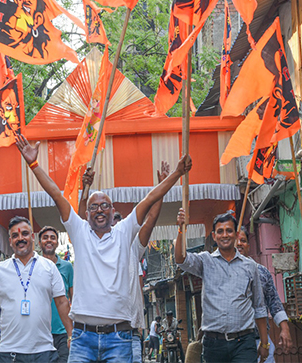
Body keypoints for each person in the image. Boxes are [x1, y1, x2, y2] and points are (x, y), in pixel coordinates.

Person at [15, 133, 192, 363]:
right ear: (87, 214)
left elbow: (150, 200)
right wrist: (34, 164)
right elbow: (56, 194)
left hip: (119, 337)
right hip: (81, 337)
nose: (99, 210)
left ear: (112, 210)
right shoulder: (80, 232)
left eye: (105, 206)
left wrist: (177, 173)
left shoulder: (123, 232)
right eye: (94, 207)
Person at [79, 162, 172, 363]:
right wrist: (85, 189)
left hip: (128, 330)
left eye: (119, 223)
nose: (116, 226)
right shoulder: (91, 245)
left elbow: (152, 217)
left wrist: (162, 188)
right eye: (113, 223)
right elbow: (81, 221)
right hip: (95, 333)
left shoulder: (133, 246)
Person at [0, 216, 72, 363]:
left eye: (24, 234)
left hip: (44, 351)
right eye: (15, 235)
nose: (20, 238)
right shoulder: (0, 269)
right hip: (10, 353)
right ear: (10, 241)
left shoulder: (49, 267)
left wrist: (71, 335)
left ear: (32, 237)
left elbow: (62, 303)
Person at [175, 210, 268, 363]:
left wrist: (264, 343)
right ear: (214, 236)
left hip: (244, 342)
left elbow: (259, 306)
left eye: (229, 231)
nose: (225, 235)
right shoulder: (205, 261)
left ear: (236, 234)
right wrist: (181, 229)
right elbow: (180, 259)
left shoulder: (250, 266)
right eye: (220, 231)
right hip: (213, 344)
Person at [236, 227, 292, 362]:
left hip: (260, 340)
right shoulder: (223, 273)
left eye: (243, 241)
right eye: (235, 241)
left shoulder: (261, 272)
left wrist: (284, 329)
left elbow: (274, 302)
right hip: (235, 344)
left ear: (248, 246)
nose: (239, 244)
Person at [39, 225, 74, 363]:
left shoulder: (67, 267)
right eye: (45, 237)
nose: (49, 240)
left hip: (62, 331)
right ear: (39, 241)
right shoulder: (34, 265)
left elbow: (74, 297)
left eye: (52, 238)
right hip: (40, 331)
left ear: (57, 243)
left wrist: (72, 332)